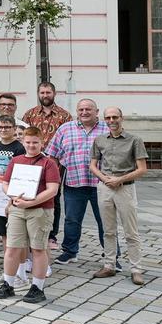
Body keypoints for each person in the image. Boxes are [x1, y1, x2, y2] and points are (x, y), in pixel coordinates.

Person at [0, 127, 61, 303]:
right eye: (28, 142)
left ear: (42, 142)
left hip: (40, 210)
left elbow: (52, 190)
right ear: (23, 142)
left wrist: (31, 202)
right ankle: (8, 284)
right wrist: (12, 195)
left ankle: (37, 287)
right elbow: (5, 183)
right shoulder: (16, 160)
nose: (31, 146)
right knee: (13, 247)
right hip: (17, 208)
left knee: (38, 249)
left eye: (35, 142)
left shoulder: (49, 163)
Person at [89, 107, 148, 285]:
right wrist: (105, 179)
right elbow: (92, 165)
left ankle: (136, 269)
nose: (111, 120)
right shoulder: (99, 140)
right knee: (108, 230)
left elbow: (142, 169)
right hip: (105, 188)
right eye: (108, 117)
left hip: (125, 189)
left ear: (122, 118)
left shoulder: (134, 140)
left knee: (131, 231)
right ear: (104, 119)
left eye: (115, 117)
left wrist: (119, 180)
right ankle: (109, 265)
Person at [47, 99, 109, 266]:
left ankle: (111, 256)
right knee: (72, 220)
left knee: (106, 220)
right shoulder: (65, 129)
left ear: (97, 111)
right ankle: (70, 251)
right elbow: (52, 155)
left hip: (102, 185)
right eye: (81, 109)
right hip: (74, 182)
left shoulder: (107, 129)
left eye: (88, 109)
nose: (84, 112)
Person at [22, 82, 72, 250]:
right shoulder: (30, 115)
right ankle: (30, 231)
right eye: (42, 92)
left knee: (53, 198)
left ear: (54, 93)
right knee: (31, 194)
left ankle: (51, 235)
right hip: (32, 163)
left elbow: (69, 141)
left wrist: (57, 159)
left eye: (48, 92)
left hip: (54, 164)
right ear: (38, 94)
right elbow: (23, 138)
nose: (45, 95)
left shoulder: (64, 116)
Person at [0, 115, 28, 281]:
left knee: (18, 236)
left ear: (13, 128)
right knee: (4, 235)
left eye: (7, 127)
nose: (3, 130)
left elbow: (21, 176)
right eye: (0, 127)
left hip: (13, 197)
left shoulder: (19, 148)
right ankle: (8, 271)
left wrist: (12, 201)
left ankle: (21, 272)